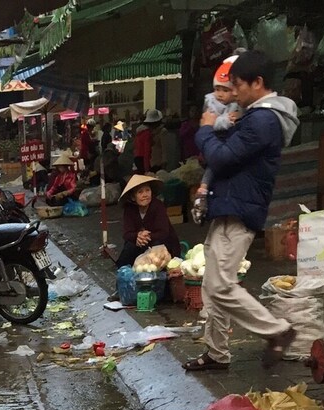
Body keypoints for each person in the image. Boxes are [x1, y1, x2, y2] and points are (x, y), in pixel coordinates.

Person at [187, 50, 299, 372]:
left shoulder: (263, 120)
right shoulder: (253, 116)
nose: (233, 92)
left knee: (221, 285)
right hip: (230, 205)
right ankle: (216, 353)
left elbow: (221, 157)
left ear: (258, 83)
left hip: (239, 208)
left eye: (238, 85)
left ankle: (278, 331)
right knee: (212, 285)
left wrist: (205, 130)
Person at [198, 55, 245, 200]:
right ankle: (203, 187)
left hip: (228, 143)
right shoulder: (212, 103)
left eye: (225, 90)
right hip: (217, 139)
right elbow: (208, 122)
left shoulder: (240, 105)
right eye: (217, 89)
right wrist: (225, 120)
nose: (220, 94)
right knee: (213, 165)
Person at [117, 175, 181, 267]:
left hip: (162, 244)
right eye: (140, 192)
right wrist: (137, 236)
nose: (145, 195)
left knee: (157, 246)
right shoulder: (129, 209)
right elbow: (127, 234)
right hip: (141, 245)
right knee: (129, 246)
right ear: (133, 197)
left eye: (147, 190)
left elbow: (163, 232)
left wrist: (146, 236)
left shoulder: (158, 206)